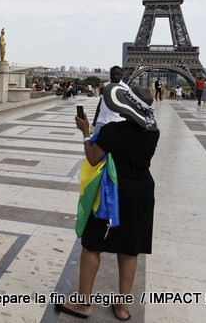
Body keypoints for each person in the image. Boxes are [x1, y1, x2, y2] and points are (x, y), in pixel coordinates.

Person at [56, 84, 159, 320]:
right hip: (142, 191)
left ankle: (83, 304)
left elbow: (93, 158)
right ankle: (123, 308)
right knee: (130, 249)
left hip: (113, 192)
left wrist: (85, 131)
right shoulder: (154, 132)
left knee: (92, 245)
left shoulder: (113, 130)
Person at [91, 66, 128, 137]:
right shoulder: (105, 85)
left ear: (121, 76)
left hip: (117, 121)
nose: (114, 76)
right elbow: (100, 104)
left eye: (117, 74)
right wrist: (94, 122)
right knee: (95, 145)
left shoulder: (125, 88)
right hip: (101, 121)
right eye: (112, 74)